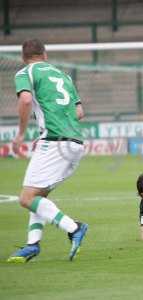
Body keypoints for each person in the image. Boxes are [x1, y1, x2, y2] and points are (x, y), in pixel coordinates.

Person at [7, 39, 88, 263]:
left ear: (24, 57)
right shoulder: (65, 76)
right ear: (45, 54)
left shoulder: (26, 72)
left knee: (26, 198)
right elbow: (79, 112)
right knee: (38, 196)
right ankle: (32, 244)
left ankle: (74, 228)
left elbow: (25, 100)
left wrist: (21, 135)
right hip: (75, 143)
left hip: (54, 140)